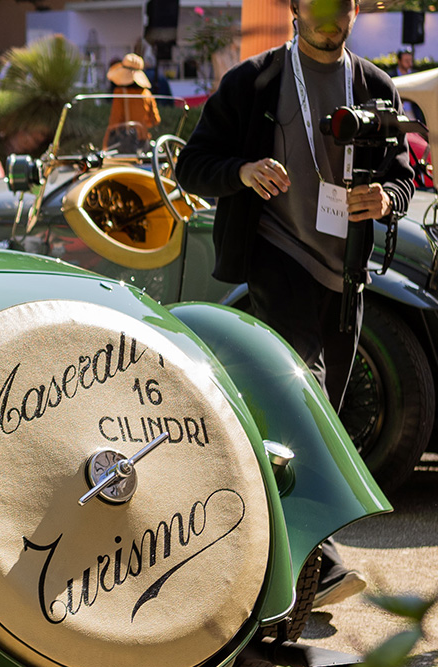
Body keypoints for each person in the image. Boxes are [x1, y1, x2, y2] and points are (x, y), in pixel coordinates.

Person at [176, 0, 414, 608]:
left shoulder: (375, 85)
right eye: (321, 8)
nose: (331, 21)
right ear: (296, 9)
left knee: (324, 418)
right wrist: (245, 170)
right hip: (277, 259)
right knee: (300, 402)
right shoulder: (253, 80)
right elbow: (193, 166)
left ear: (356, 11)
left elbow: (406, 172)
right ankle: (323, 564)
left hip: (349, 271)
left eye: (343, 9)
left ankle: (279, 558)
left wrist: (386, 197)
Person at [105, 53, 160, 152]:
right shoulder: (147, 93)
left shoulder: (120, 92)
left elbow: (115, 120)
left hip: (125, 143)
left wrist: (105, 144)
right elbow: (155, 120)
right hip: (143, 142)